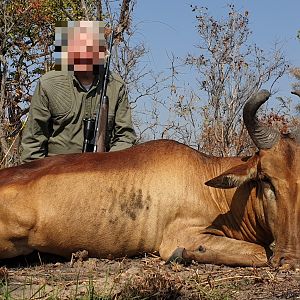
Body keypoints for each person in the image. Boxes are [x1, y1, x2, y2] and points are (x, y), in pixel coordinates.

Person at [20, 20, 136, 163]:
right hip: (56, 173)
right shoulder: (48, 83)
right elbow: (33, 143)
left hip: (101, 171)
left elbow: (125, 136)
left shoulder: (116, 86)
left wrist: (107, 164)